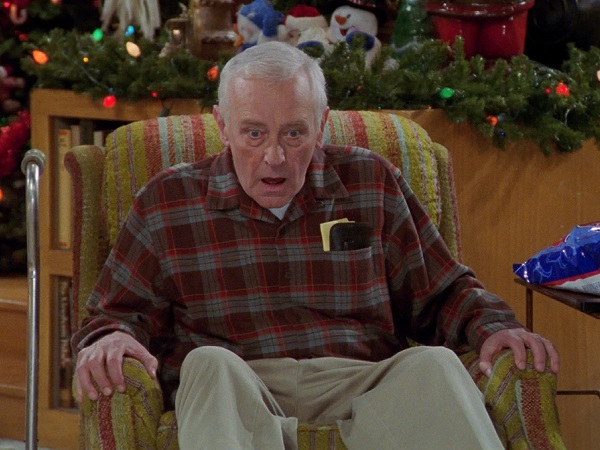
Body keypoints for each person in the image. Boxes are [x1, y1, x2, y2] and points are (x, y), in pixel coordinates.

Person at [72, 41, 560, 449]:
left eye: (294, 133)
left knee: (434, 365)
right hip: (239, 385)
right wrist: (110, 337)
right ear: (222, 126)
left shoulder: (371, 180)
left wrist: (496, 327)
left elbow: (443, 292)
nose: (275, 157)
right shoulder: (168, 199)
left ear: (321, 125)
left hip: (361, 380)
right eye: (254, 133)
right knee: (208, 363)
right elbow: (116, 312)